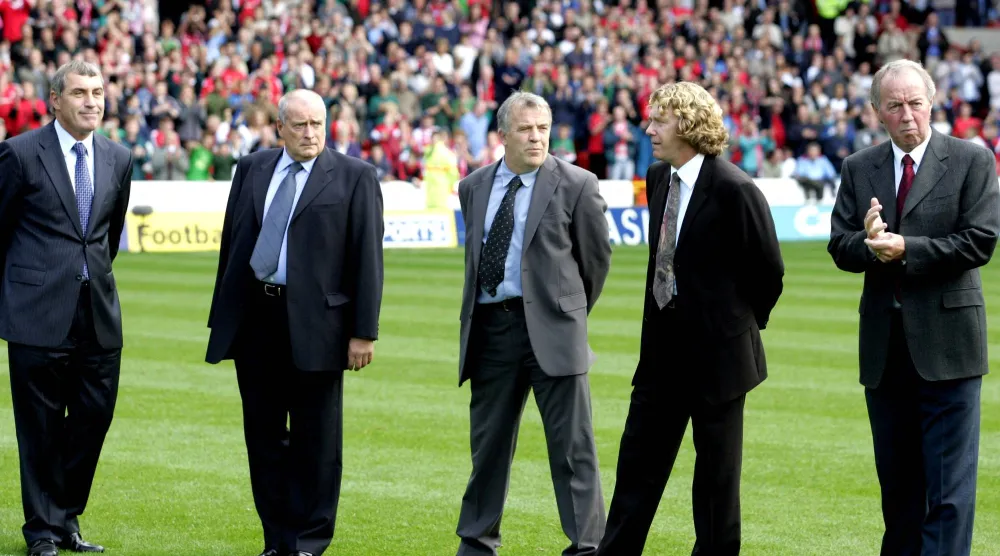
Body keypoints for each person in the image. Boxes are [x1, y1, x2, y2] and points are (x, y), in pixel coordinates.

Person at [597, 81, 784, 556]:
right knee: (637, 466)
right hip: (661, 356)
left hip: (719, 360)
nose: (648, 128)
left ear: (687, 124)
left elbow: (768, 274)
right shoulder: (660, 177)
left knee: (717, 482)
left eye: (658, 119)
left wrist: (731, 329)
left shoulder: (736, 189)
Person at [828, 59, 1000, 556]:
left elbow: (980, 242)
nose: (907, 115)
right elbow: (840, 245)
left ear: (932, 102)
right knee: (899, 492)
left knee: (948, 496)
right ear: (877, 112)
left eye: (916, 103)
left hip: (950, 349)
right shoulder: (860, 166)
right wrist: (869, 242)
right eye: (895, 105)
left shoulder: (972, 159)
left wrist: (908, 249)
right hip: (886, 353)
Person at [205, 89, 384, 556]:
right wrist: (223, 317)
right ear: (279, 127)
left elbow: (368, 259)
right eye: (301, 125)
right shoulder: (251, 168)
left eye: (318, 124)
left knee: (317, 443)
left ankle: (308, 541)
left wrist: (364, 331)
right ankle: (277, 539)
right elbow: (234, 243)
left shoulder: (355, 176)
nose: (311, 133)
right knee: (263, 438)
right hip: (257, 321)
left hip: (319, 327)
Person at [454, 91, 611, 556]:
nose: (536, 137)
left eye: (542, 128)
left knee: (573, 451)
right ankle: (477, 544)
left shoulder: (577, 183)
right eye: (525, 129)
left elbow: (595, 263)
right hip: (491, 332)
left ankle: (587, 547)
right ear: (503, 135)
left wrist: (563, 310)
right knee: (489, 451)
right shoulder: (473, 186)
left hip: (554, 331)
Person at [0, 60, 133, 556]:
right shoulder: (18, 154)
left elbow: (107, 236)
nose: (91, 101)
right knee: (38, 427)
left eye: (97, 91)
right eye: (79, 92)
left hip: (97, 308)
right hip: (36, 311)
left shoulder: (119, 157)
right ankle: (43, 533)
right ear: (55, 100)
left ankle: (64, 516)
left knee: (93, 418)